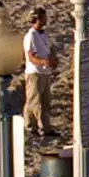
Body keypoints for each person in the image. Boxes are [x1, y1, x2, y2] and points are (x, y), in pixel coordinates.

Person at [23, 8, 55, 138]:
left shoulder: (43, 35)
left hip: (44, 72)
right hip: (35, 72)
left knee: (45, 101)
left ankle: (45, 127)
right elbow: (31, 57)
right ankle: (31, 126)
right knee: (34, 100)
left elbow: (48, 50)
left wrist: (52, 60)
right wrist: (43, 62)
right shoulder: (31, 36)